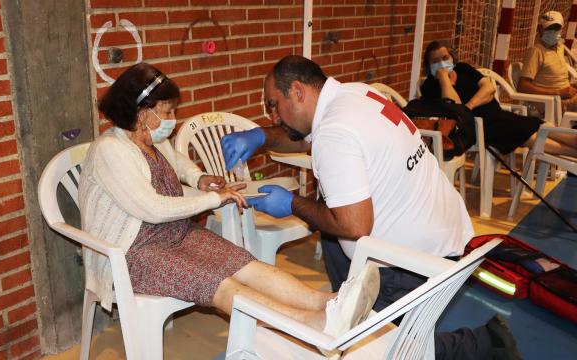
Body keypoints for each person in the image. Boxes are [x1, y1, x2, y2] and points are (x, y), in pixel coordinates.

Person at [221, 55, 522, 359]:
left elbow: (354, 226)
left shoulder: (334, 132)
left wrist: (292, 203)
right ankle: (349, 310)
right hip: (444, 233)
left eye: (272, 105)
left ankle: (486, 343)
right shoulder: (355, 94)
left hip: (410, 266)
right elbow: (302, 140)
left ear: (297, 91)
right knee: (333, 242)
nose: (272, 116)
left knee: (383, 350)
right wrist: (260, 137)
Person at [77, 62, 381, 353]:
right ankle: (312, 326)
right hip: (133, 254)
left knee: (244, 263)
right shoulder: (110, 151)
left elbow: (178, 163)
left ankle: (326, 304)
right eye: (167, 111)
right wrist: (214, 198)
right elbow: (152, 209)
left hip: (174, 234)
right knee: (218, 284)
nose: (172, 118)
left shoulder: (149, 139)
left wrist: (199, 179)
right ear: (143, 114)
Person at [422, 40, 577, 158]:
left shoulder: (462, 68)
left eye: (444, 58)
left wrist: (469, 106)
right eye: (435, 61)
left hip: (496, 114)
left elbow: (489, 87)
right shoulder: (430, 85)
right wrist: (444, 79)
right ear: (429, 66)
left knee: (535, 126)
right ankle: (573, 151)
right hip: (477, 125)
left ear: (452, 58)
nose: (441, 64)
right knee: (530, 133)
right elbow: (454, 106)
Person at [519, 11, 577, 113]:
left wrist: (572, 86)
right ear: (540, 29)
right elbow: (523, 86)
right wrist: (558, 92)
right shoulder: (535, 51)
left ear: (562, 29)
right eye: (549, 28)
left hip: (566, 97)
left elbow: (555, 79)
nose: (553, 31)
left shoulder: (559, 47)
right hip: (551, 103)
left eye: (556, 28)